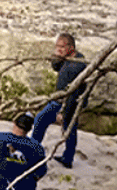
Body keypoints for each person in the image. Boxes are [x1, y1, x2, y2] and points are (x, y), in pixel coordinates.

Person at [30, 32, 88, 167]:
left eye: (61, 47)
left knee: (41, 119)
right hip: (64, 100)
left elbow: (72, 93)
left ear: (71, 47)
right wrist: (57, 56)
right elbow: (56, 67)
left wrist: (63, 112)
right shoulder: (71, 58)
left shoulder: (76, 66)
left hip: (66, 102)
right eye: (57, 46)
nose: (58, 49)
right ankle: (68, 158)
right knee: (70, 129)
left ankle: (31, 151)